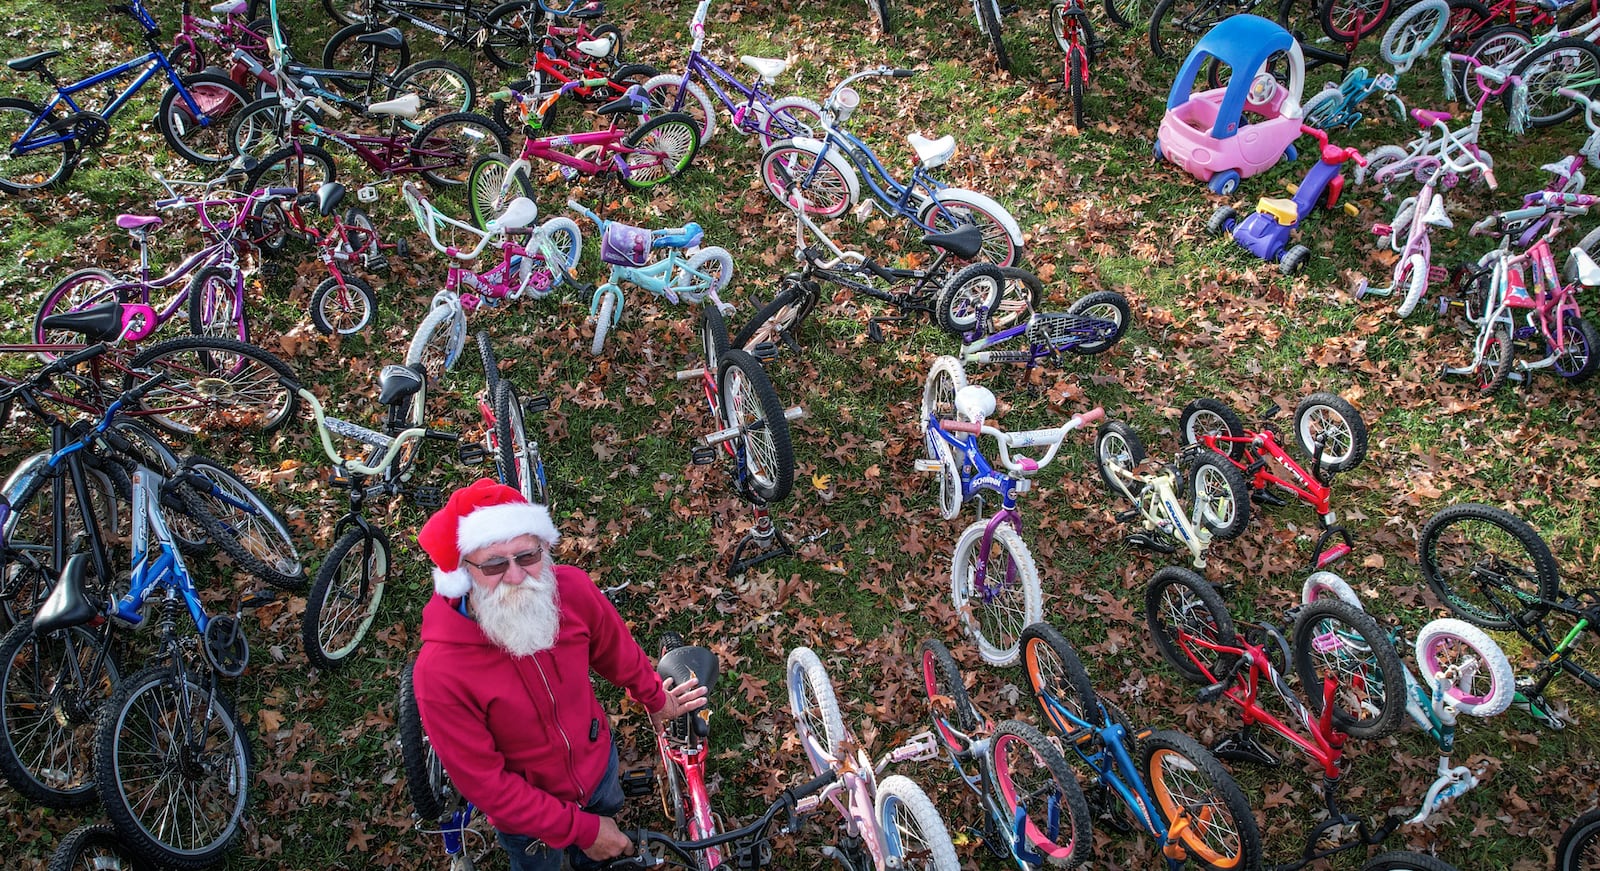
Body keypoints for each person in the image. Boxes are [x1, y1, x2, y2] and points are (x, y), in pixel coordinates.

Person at [411, 478, 707, 870]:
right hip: (526, 819)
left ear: (544, 549)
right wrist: (585, 832)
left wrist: (654, 698)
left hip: (597, 767)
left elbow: (616, 650)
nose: (516, 576)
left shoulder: (572, 589)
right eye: (495, 564)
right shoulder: (439, 673)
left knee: (603, 840)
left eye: (527, 557)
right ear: (464, 572)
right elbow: (488, 785)